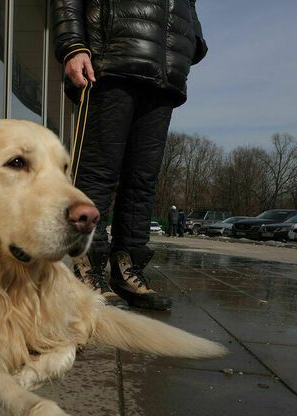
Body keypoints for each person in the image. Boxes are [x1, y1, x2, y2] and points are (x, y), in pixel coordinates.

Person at [52, 0, 207, 310]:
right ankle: (87, 267)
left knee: (142, 181)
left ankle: (127, 269)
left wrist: (191, 41)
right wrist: (73, 45)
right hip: (112, 60)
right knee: (98, 173)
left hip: (165, 74)